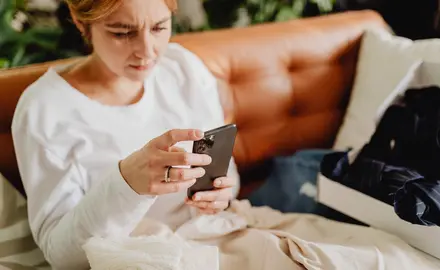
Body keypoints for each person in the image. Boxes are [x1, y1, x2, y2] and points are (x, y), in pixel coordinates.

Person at [11, 0, 240, 269]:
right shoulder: (45, 109)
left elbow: (229, 179)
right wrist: (127, 184)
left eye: (159, 27)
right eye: (122, 33)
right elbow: (61, 256)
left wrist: (218, 197)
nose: (147, 51)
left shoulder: (183, 68)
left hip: (214, 240)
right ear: (80, 21)